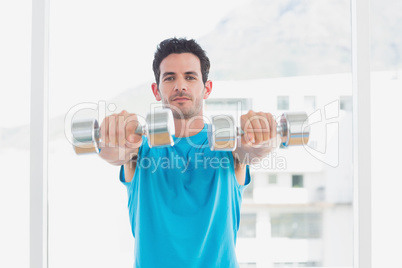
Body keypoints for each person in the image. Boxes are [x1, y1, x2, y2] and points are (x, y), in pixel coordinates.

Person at [99, 38, 277, 268]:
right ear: (156, 90)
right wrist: (111, 137)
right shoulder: (139, 147)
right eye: (170, 77)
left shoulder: (230, 146)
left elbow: (254, 150)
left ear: (207, 88)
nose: (180, 85)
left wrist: (264, 135)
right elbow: (115, 153)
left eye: (190, 77)